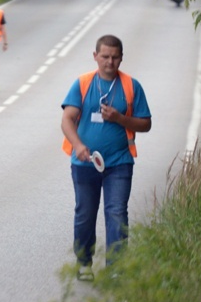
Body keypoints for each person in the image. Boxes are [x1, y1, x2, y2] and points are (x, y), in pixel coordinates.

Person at [60, 35, 152, 281]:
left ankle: (116, 269)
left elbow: (146, 124)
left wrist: (120, 118)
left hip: (119, 162)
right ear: (95, 56)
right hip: (85, 163)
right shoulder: (82, 83)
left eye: (115, 57)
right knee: (85, 213)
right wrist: (78, 145)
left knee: (117, 213)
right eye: (105, 56)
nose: (110, 62)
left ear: (121, 58)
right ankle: (84, 263)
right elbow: (67, 119)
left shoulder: (132, 86)